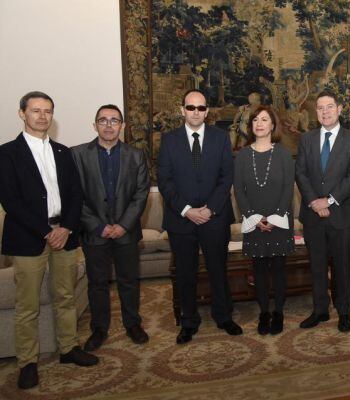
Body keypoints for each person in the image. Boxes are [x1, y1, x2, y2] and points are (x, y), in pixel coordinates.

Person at [0, 91, 98, 389]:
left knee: (65, 297)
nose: (42, 116)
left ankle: (68, 348)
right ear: (22, 114)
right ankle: (27, 362)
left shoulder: (62, 151)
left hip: (64, 236)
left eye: (47, 111)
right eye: (36, 111)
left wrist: (66, 228)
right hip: (29, 239)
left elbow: (74, 193)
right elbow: (10, 201)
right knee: (27, 305)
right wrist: (46, 231)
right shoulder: (6, 153)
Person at [157, 89, 242, 344]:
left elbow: (227, 176)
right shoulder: (169, 140)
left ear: (207, 111)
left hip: (214, 217)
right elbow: (165, 180)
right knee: (185, 273)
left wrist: (210, 209)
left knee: (218, 269)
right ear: (182, 110)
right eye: (191, 107)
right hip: (180, 219)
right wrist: (187, 210)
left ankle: (223, 316)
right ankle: (188, 321)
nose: (196, 112)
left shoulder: (221, 137)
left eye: (201, 108)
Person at [71, 105, 151, 351]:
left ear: (122, 126)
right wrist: (98, 226)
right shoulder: (77, 155)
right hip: (94, 234)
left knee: (129, 281)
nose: (108, 125)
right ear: (94, 125)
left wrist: (123, 225)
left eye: (114, 120)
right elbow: (74, 196)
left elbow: (140, 194)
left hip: (126, 233)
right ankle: (99, 329)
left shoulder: (136, 155)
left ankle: (132, 324)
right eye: (103, 120)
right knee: (97, 284)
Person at [295, 91, 350, 332]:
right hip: (313, 214)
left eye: (330, 107)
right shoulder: (306, 139)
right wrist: (315, 201)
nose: (325, 112)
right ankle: (320, 310)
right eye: (320, 108)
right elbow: (301, 173)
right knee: (316, 266)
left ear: (340, 109)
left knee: (343, 267)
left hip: (342, 216)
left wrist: (330, 200)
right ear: (316, 112)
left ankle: (344, 312)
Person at [233, 105, 295, 335]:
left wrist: (275, 217)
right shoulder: (241, 156)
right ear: (251, 126)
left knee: (279, 270)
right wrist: (255, 217)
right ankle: (263, 313)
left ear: (272, 125)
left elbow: (288, 188)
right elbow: (239, 190)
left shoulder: (284, 154)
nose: (259, 123)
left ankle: (278, 313)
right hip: (254, 222)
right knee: (258, 271)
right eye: (255, 120)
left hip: (279, 222)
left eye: (264, 119)